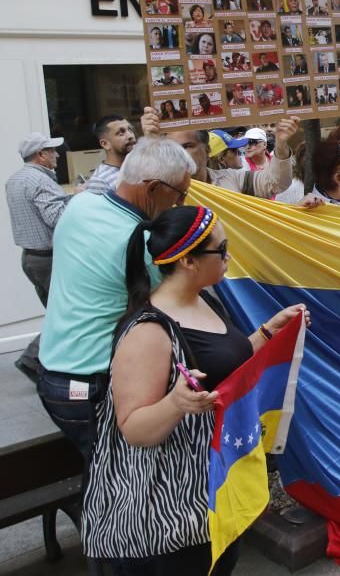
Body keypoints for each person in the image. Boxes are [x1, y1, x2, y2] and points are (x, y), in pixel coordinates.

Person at [81, 205, 308, 573]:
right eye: (221, 250)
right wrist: (175, 404)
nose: (228, 256)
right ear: (188, 261)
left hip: (211, 497)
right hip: (167, 514)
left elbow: (222, 363)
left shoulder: (204, 298)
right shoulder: (148, 331)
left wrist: (267, 333)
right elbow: (134, 428)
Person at [37, 138, 195, 459]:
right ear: (152, 189)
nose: (179, 204)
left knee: (100, 471)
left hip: (53, 376)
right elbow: (184, 301)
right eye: (179, 194)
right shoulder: (140, 244)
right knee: (119, 483)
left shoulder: (80, 206)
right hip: (92, 385)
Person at [6, 133, 76, 380]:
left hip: (32, 258)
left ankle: (51, 363)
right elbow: (57, 219)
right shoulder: (40, 180)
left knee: (60, 313)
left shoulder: (15, 179)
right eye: (52, 151)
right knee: (69, 312)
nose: (57, 155)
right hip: (49, 259)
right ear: (40, 155)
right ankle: (32, 359)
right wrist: (79, 199)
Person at [141, 108, 297, 198]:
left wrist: (281, 143)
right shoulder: (160, 189)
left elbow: (277, 182)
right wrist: (149, 139)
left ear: (206, 150)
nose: (180, 154)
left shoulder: (233, 178)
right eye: (174, 148)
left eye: (188, 146)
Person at [86, 115, 137, 196]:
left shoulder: (138, 167)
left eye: (130, 130)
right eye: (121, 133)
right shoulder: (100, 181)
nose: (130, 136)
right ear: (105, 144)